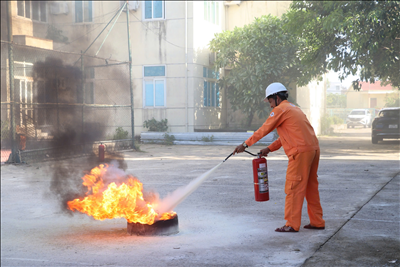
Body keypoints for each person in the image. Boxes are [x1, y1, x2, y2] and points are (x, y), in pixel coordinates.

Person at [233, 82, 325, 232]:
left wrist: (245, 144)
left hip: (300, 153)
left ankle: (291, 224)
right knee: (310, 188)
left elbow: (264, 129)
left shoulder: (280, 109)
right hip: (313, 150)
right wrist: (269, 149)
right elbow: (286, 137)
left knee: (293, 187)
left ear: (276, 97)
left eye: (270, 101)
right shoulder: (294, 109)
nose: (270, 106)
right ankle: (317, 221)